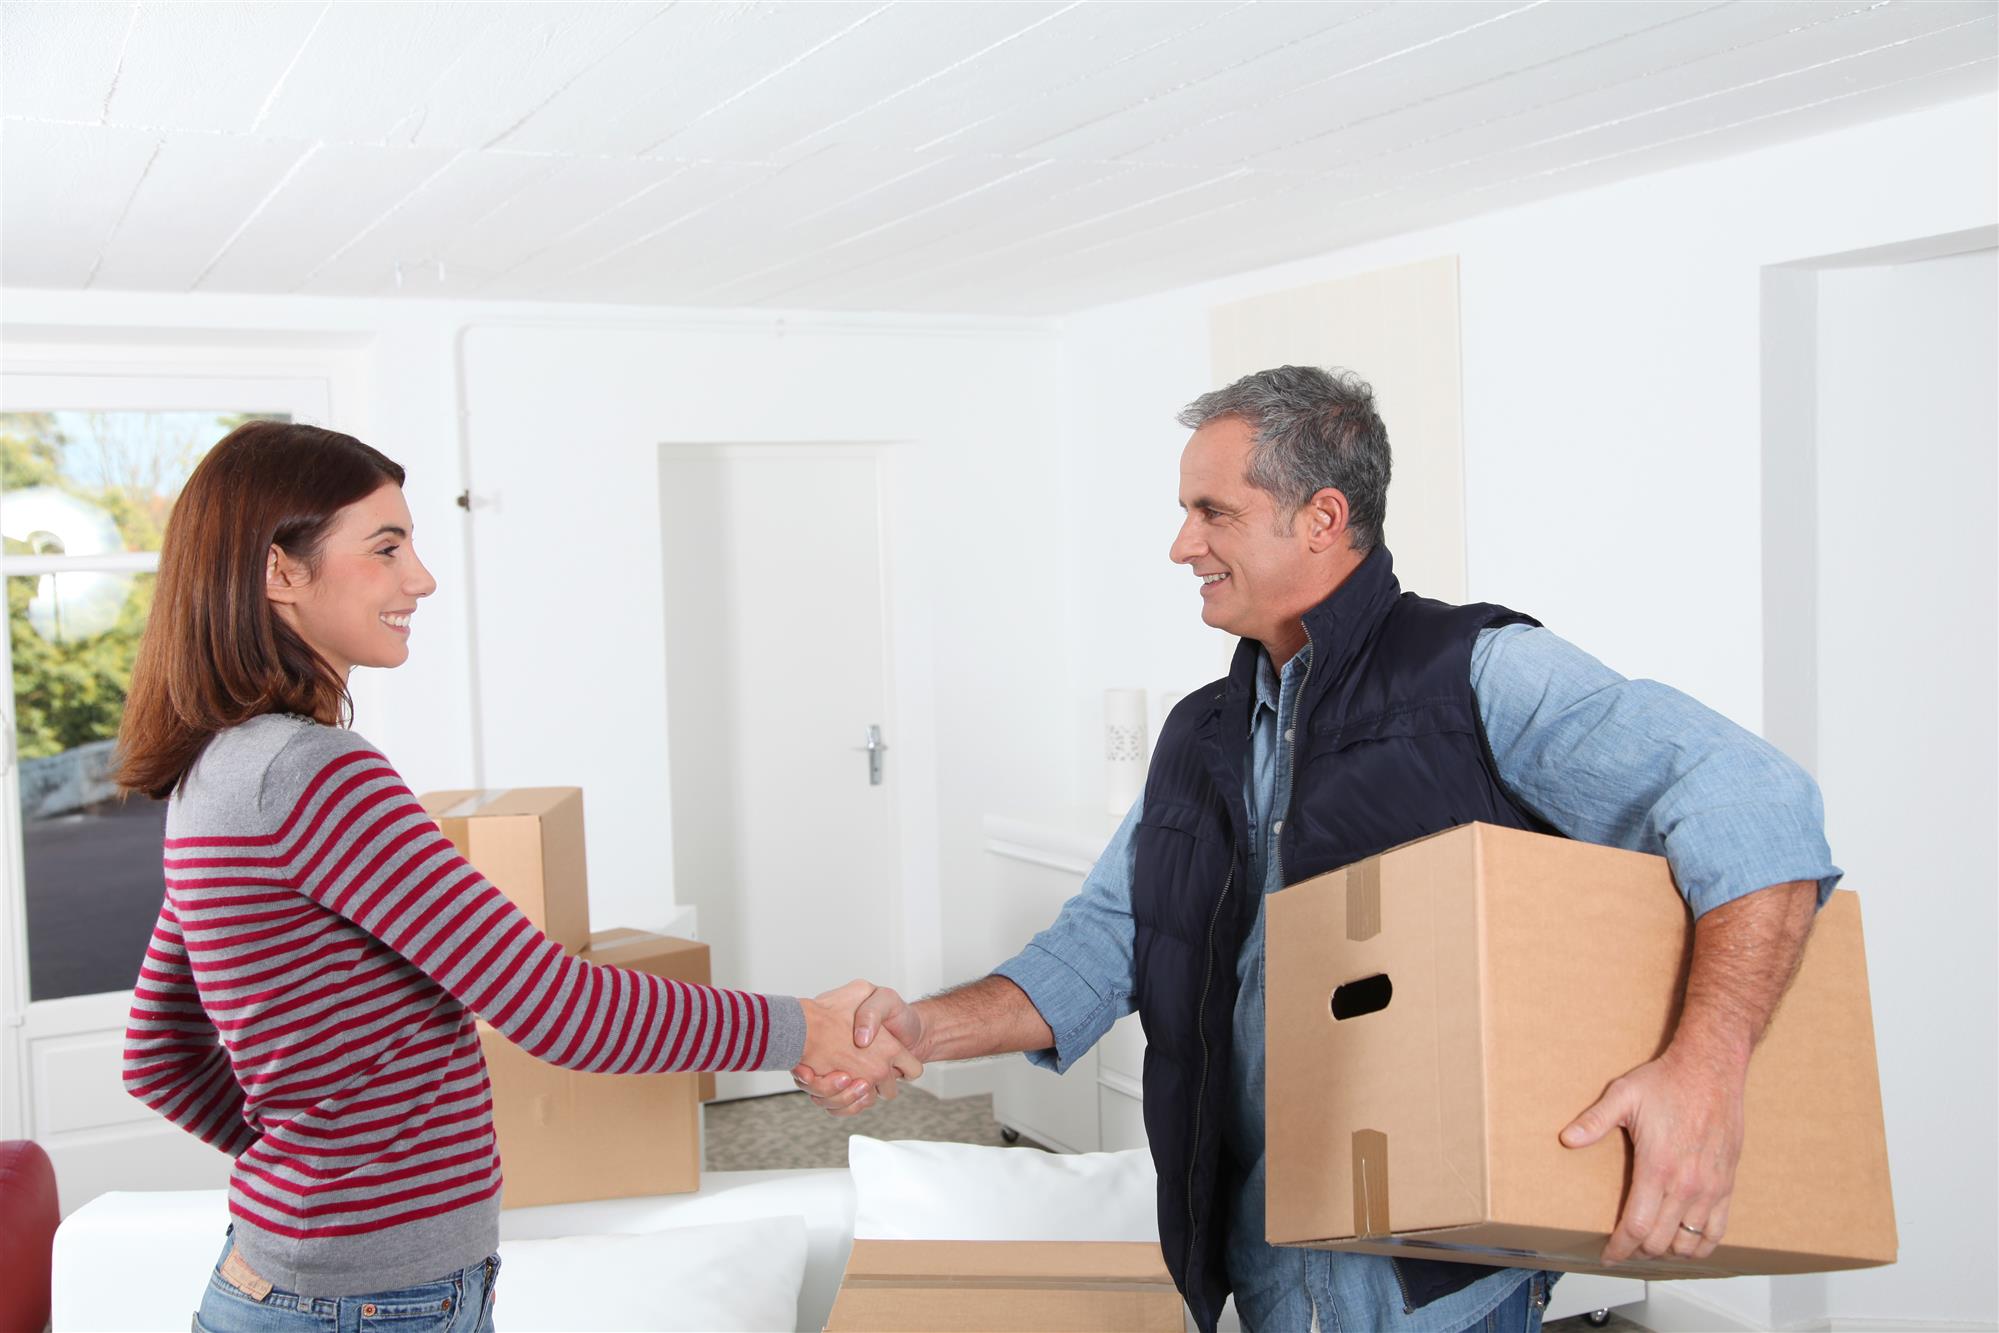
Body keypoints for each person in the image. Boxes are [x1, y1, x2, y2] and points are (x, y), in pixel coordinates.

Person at [794, 366, 1837, 1333]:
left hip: (1426, 1268)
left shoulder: (1478, 673)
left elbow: (1752, 797)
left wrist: (1705, 1070)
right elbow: (1103, 944)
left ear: (1323, 518)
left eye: (1213, 513)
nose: (1181, 546)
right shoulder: (1200, 731)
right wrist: (918, 1027)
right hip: (1254, 1248)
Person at [116, 421, 920, 1333]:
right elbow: (556, 1007)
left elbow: (157, 1054)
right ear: (279, 571)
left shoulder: (212, 774)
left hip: (285, 1278)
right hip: (370, 1304)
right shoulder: (312, 774)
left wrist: (313, 1169)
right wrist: (808, 1026)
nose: (418, 578)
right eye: (386, 548)